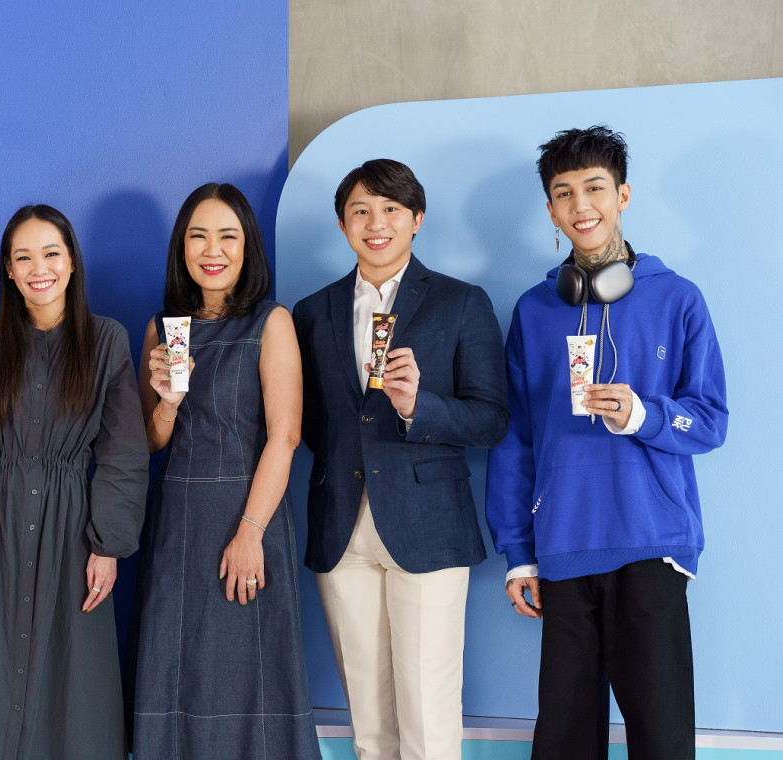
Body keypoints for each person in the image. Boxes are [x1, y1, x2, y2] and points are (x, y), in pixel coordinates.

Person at [485, 126, 728, 760]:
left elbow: (710, 421)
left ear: (622, 195)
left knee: (661, 737)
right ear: (550, 210)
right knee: (563, 738)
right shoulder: (535, 311)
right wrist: (518, 553)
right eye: (564, 193)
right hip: (563, 543)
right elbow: (515, 439)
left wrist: (644, 414)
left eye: (594, 188)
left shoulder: (678, 298)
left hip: (652, 541)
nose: (581, 205)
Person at [0, 204, 148, 760]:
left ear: (72, 262)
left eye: (51, 253)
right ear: (9, 270)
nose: (39, 268)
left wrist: (108, 545)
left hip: (72, 534)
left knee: (67, 678)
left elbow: (122, 453)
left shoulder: (106, 340)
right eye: (24, 257)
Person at [292, 159, 508, 760]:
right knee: (369, 722)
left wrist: (419, 408)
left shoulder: (461, 302)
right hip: (342, 527)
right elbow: (309, 424)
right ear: (342, 225)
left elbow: (491, 419)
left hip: (427, 526)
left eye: (391, 209)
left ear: (417, 219)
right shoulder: (312, 312)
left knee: (428, 718)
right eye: (360, 211)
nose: (376, 223)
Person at [129, 183, 322, 760]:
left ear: (247, 247)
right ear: (181, 248)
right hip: (176, 520)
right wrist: (167, 402)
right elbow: (147, 441)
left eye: (227, 236)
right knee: (175, 670)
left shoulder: (272, 321)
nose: (212, 250)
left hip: (248, 514)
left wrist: (250, 533)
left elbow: (285, 436)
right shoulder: (161, 329)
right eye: (198, 236)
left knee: (249, 677)